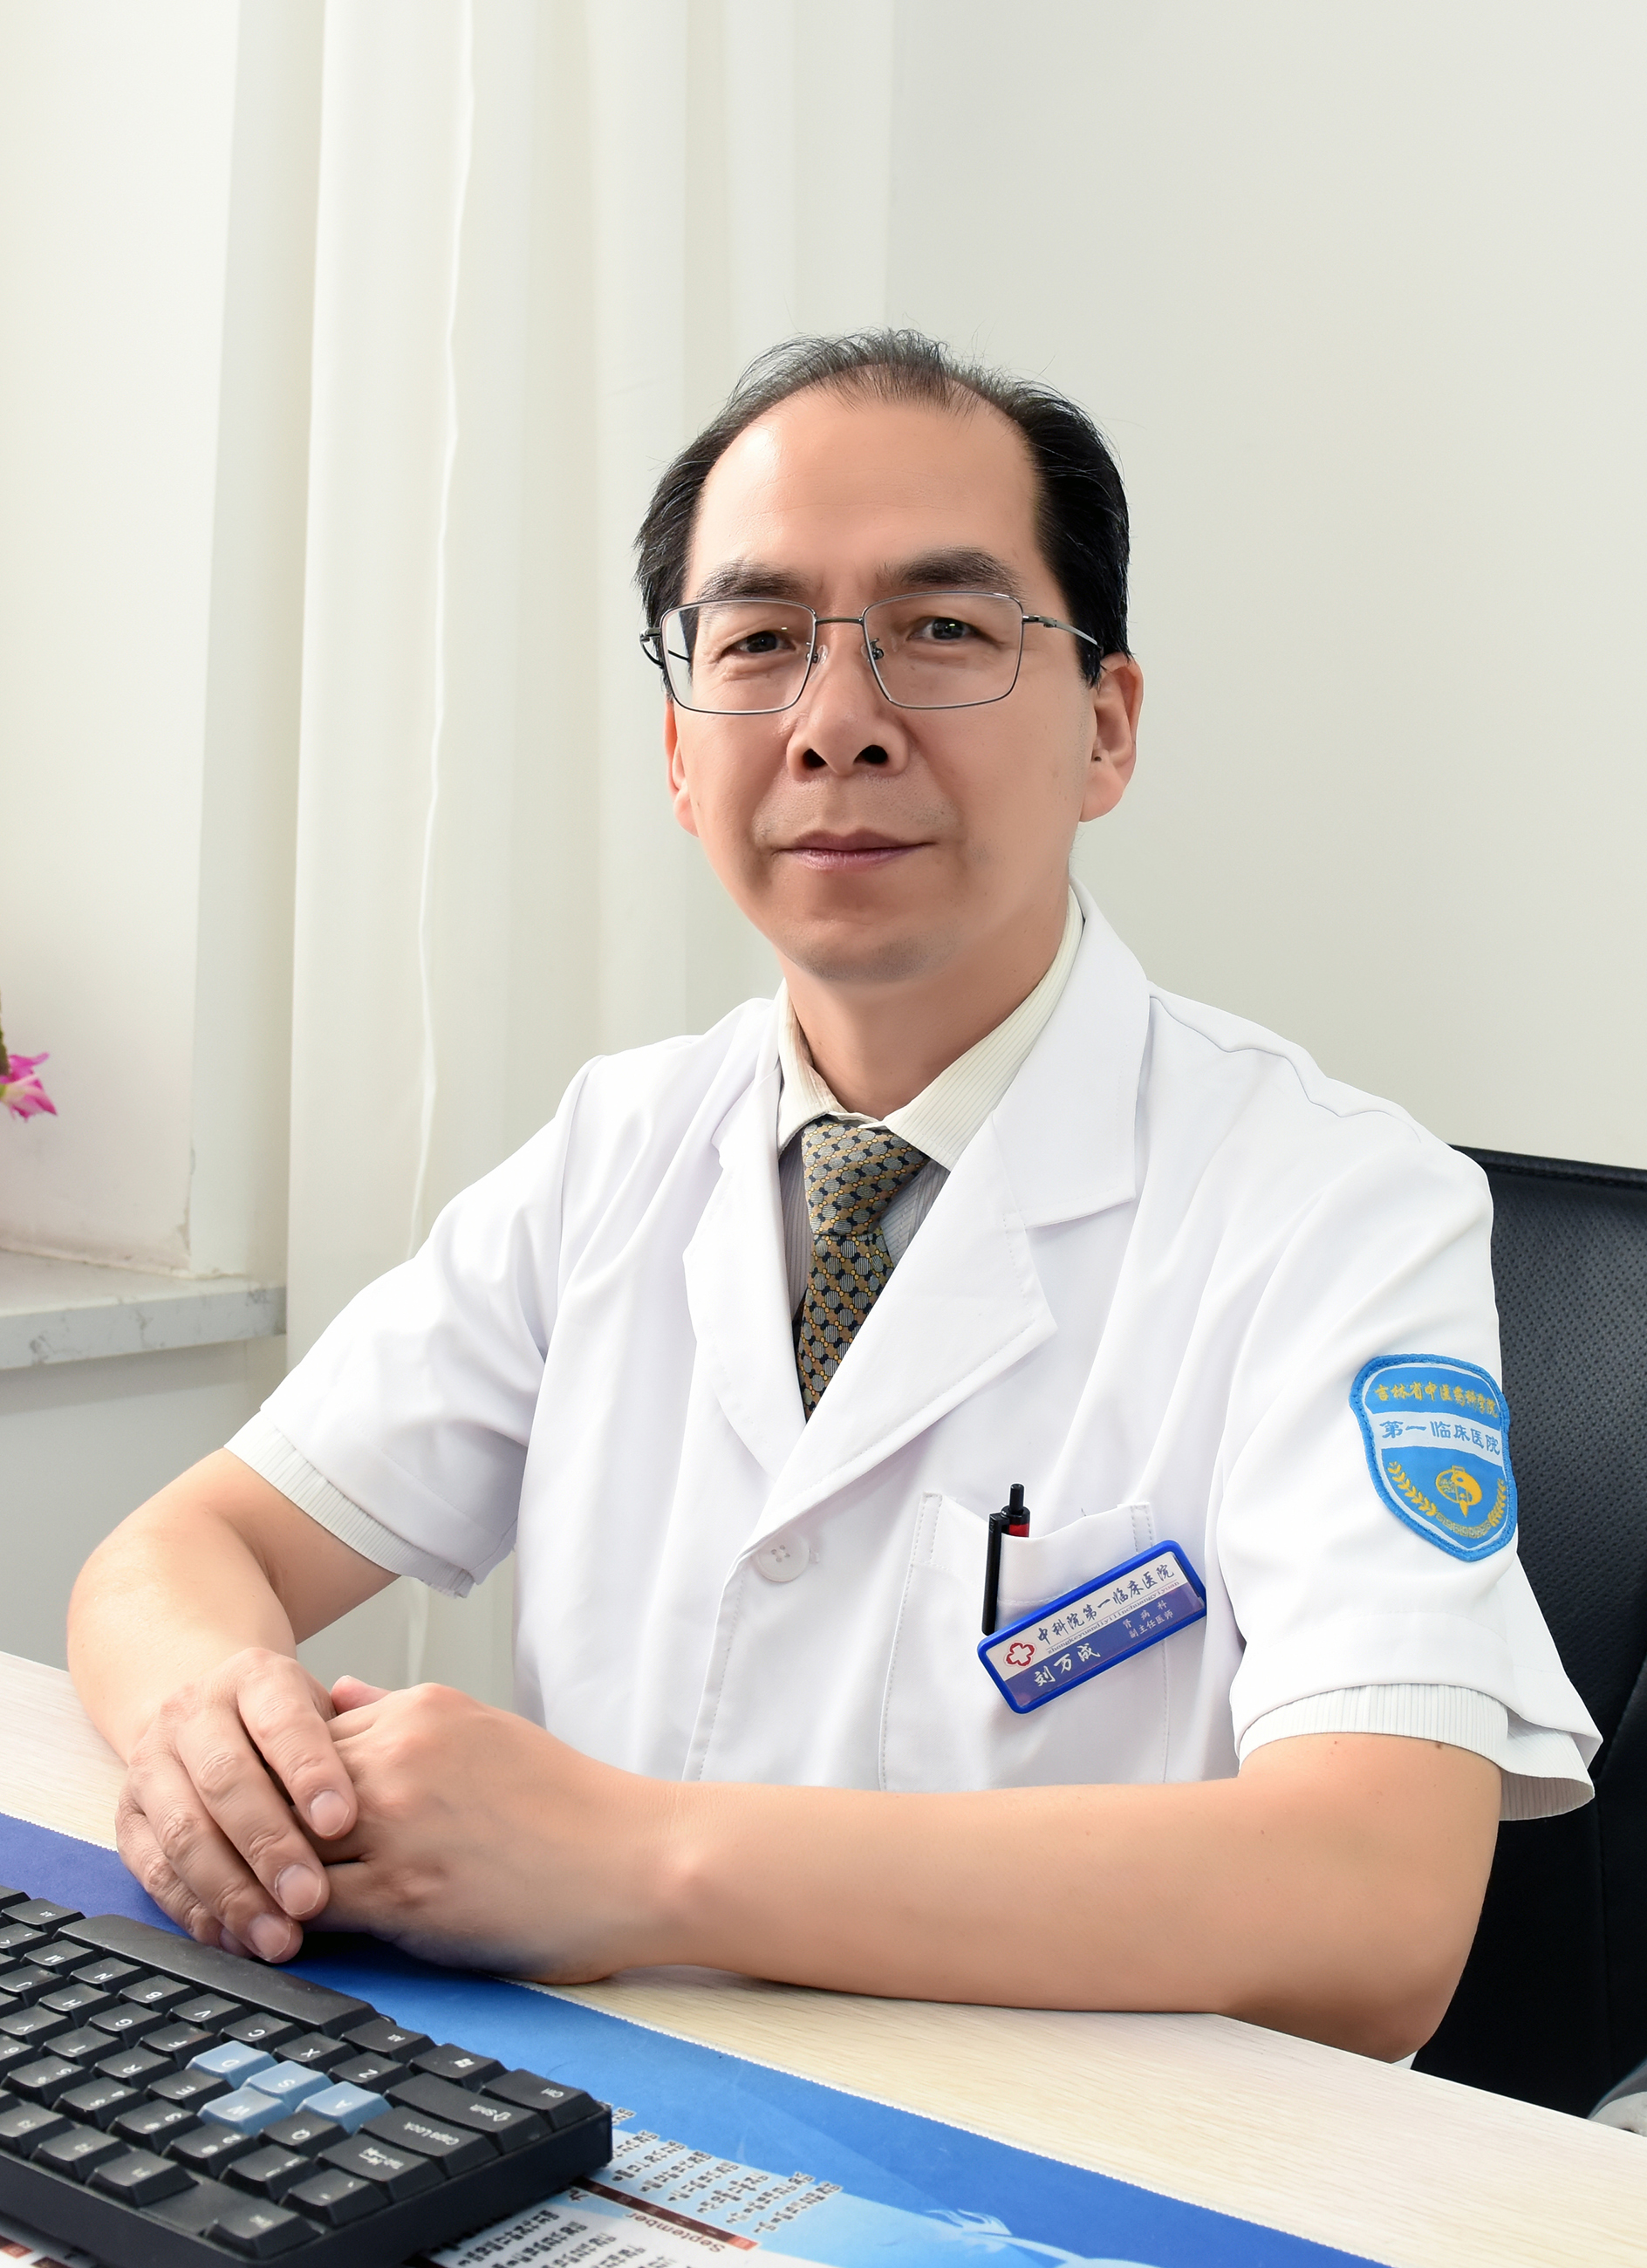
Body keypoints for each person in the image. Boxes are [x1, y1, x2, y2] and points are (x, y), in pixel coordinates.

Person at [69, 331, 1596, 2060]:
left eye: (940, 631)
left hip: (1066, 2150)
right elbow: (180, 1552)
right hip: (612, 2110)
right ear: (677, 752)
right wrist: (225, 1747)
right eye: (759, 642)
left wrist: (632, 1855)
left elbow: (1374, 1904)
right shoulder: (616, 1148)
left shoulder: (1333, 1203)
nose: (836, 724)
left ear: (1105, 729)